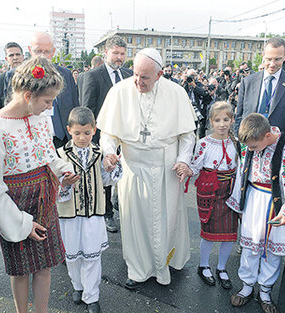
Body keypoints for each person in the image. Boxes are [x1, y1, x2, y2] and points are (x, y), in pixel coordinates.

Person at [0, 56, 74, 313]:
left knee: (44, 265)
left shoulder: (41, 118)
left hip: (44, 197)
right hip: (14, 204)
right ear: (29, 95)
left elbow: (48, 155)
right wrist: (21, 222)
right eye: (48, 101)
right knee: (21, 269)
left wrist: (64, 171)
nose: (50, 106)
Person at [98, 48, 196, 289]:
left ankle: (166, 264)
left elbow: (187, 136)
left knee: (167, 219)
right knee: (135, 222)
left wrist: (184, 159)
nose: (137, 82)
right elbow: (108, 133)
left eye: (145, 77)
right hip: (134, 169)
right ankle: (138, 268)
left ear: (160, 74)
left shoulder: (177, 93)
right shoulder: (119, 92)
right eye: (135, 74)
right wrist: (109, 152)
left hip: (167, 169)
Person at [226, 113, 285, 313]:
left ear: (268, 136)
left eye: (253, 146)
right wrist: (239, 204)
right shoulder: (248, 144)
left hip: (276, 203)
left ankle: (266, 291)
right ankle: (246, 286)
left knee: (272, 250)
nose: (249, 150)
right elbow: (242, 173)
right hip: (253, 198)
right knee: (250, 244)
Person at [56, 106, 122, 313]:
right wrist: (64, 183)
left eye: (86, 133)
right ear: (69, 130)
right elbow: (53, 184)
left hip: (94, 213)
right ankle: (77, 285)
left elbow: (107, 179)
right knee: (73, 255)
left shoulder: (100, 153)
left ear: (94, 130)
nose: (82, 138)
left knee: (92, 256)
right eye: (77, 133)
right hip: (69, 215)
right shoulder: (60, 154)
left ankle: (92, 296)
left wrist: (111, 167)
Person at [78, 35, 132, 233]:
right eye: (115, 53)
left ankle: (123, 207)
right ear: (106, 53)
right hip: (103, 134)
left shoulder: (129, 74)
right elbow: (87, 108)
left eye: (122, 54)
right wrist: (89, 137)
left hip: (127, 135)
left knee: (125, 172)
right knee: (106, 174)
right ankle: (108, 214)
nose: (119, 57)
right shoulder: (93, 76)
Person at [186, 102, 240, 289]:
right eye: (217, 120)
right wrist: (185, 170)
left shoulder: (236, 143)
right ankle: (203, 265)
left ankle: (222, 267)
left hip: (231, 192)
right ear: (211, 122)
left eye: (226, 119)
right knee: (209, 233)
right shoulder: (203, 143)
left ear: (232, 120)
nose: (222, 124)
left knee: (229, 233)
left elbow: (240, 167)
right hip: (210, 192)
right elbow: (195, 167)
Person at [235, 37, 285, 136]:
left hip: (278, 144)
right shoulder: (247, 82)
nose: (272, 64)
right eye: (268, 59)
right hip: (249, 143)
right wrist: (239, 141)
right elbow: (239, 116)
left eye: (277, 59)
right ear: (263, 56)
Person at [28, 32, 79, 149]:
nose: (42, 56)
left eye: (47, 51)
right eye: (38, 51)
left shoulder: (65, 74)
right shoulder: (21, 76)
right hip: (32, 143)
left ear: (53, 51)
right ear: (30, 50)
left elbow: (75, 107)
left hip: (62, 142)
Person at [0, 42, 24, 113]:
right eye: (11, 55)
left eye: (18, 54)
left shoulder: (32, 76)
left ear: (22, 57)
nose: (15, 58)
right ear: (6, 59)